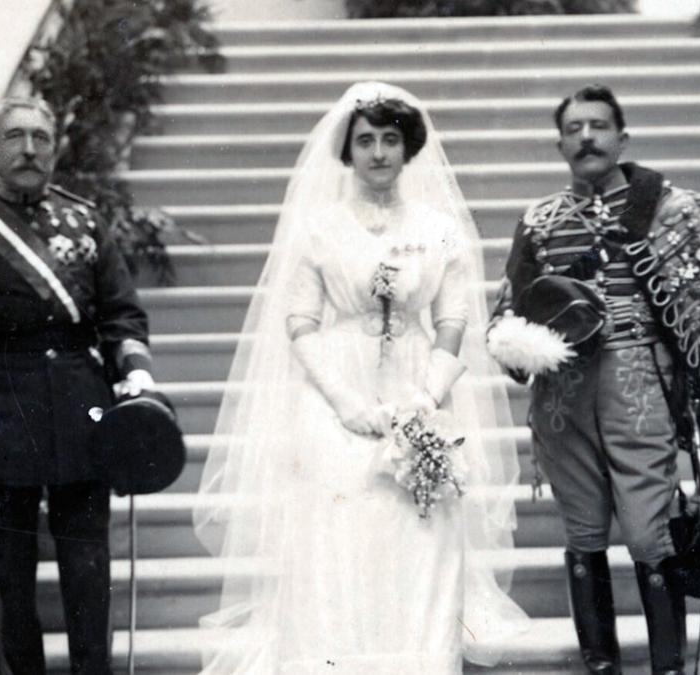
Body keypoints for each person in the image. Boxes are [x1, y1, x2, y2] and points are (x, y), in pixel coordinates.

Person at [192, 82, 528, 674]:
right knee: (337, 541)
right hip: (332, 397)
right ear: (346, 152)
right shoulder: (318, 228)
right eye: (365, 140)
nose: (377, 153)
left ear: (408, 148)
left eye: (390, 140)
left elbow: (451, 321)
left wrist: (426, 398)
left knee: (419, 539)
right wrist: (345, 401)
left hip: (420, 389)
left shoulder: (439, 227)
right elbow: (299, 323)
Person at [487, 84, 700, 675]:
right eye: (575, 128)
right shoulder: (538, 221)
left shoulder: (670, 208)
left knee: (648, 532)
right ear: (559, 144)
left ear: (622, 137)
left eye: (599, 125)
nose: (587, 137)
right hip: (562, 391)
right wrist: (517, 343)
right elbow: (508, 307)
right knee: (582, 529)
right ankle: (599, 664)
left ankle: (668, 669)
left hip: (638, 379)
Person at [0, 96, 156, 674]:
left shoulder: (86, 220)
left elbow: (121, 313)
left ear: (54, 148)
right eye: (15, 136)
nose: (30, 149)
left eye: (41, 138)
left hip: (81, 410)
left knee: (89, 570)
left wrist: (132, 370)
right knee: (10, 577)